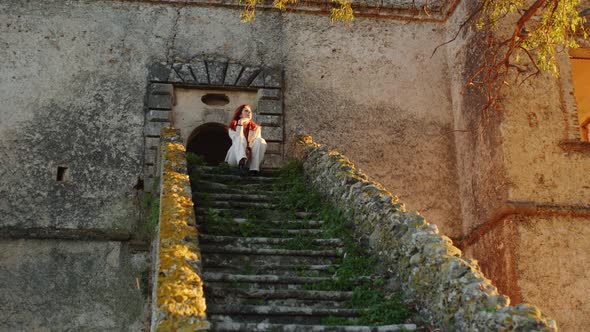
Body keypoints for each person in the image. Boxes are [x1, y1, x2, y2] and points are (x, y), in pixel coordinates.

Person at [225, 104, 267, 175]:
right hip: (235, 158)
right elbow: (237, 139)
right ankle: (241, 162)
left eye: (250, 111)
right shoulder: (232, 128)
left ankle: (254, 170)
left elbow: (256, 145)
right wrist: (240, 124)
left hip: (249, 157)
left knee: (260, 140)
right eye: (246, 111)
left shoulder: (256, 129)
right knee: (240, 137)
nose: (249, 113)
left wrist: (248, 149)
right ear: (240, 115)